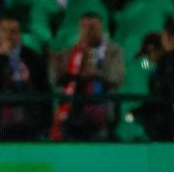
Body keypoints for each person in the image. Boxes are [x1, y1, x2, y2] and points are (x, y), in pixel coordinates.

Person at [50, 13, 125, 141]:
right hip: (73, 116)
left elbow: (117, 79)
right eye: (85, 27)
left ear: (101, 28)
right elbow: (56, 82)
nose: (89, 30)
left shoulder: (113, 52)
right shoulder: (69, 53)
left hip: (103, 117)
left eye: (93, 26)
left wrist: (97, 75)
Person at [0, 14, 50, 140]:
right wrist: (4, 58)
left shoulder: (34, 58)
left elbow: (44, 89)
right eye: (4, 30)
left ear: (20, 34)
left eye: (13, 31)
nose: (9, 35)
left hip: (30, 126)